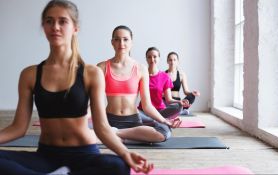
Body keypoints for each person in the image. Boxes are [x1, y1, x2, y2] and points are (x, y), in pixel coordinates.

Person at [0, 1, 152, 175]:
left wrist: (125, 153)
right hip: (45, 156)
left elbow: (102, 128)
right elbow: (18, 128)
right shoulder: (30, 74)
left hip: (83, 155)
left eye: (62, 21)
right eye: (49, 21)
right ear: (44, 26)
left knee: (119, 166)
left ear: (75, 28)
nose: (55, 27)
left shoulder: (91, 73)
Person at [97, 25, 181, 144]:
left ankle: (116, 133)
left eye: (125, 39)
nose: (121, 43)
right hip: (110, 119)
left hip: (133, 121)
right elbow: (95, 102)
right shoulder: (101, 68)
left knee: (164, 133)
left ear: (131, 42)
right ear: (112, 42)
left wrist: (164, 121)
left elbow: (147, 106)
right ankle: (118, 135)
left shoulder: (141, 69)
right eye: (117, 39)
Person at [138, 47, 190, 123]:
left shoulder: (165, 76)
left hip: (160, 111)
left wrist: (180, 102)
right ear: (146, 59)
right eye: (149, 57)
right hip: (144, 111)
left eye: (155, 57)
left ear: (159, 58)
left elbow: (168, 100)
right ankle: (157, 120)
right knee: (133, 112)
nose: (152, 59)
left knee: (179, 106)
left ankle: (154, 120)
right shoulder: (141, 74)